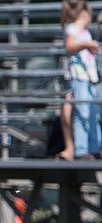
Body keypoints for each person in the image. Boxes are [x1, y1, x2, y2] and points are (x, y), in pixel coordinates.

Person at [62, 0, 100, 160]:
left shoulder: (85, 32)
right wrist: (86, 44)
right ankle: (81, 150)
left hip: (89, 78)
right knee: (82, 113)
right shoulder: (73, 29)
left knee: (92, 113)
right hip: (79, 78)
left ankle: (94, 147)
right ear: (84, 14)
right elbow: (69, 47)